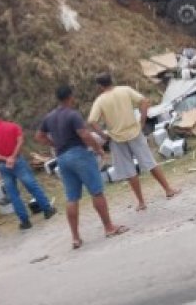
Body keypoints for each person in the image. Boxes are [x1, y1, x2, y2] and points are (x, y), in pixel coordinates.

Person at [36, 86, 128, 249]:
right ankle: (108, 227)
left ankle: (76, 238)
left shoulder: (49, 117)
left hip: (62, 158)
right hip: (79, 154)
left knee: (72, 198)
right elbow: (84, 134)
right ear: (70, 97)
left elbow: (39, 136)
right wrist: (98, 149)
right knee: (96, 191)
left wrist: (55, 144)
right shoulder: (72, 115)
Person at [88, 74, 179, 211]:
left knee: (130, 172)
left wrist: (103, 135)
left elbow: (92, 121)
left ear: (100, 86)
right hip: (135, 132)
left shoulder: (100, 100)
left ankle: (141, 202)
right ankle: (168, 189)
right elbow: (144, 101)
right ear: (111, 81)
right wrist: (142, 121)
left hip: (117, 138)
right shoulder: (125, 90)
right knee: (150, 163)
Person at [0, 108, 57, 230]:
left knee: (13, 194)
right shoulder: (13, 126)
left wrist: (5, 159)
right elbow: (20, 141)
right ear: (1, 116)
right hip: (17, 160)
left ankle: (25, 221)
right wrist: (12, 157)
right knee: (32, 186)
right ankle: (47, 209)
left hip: (3, 165)